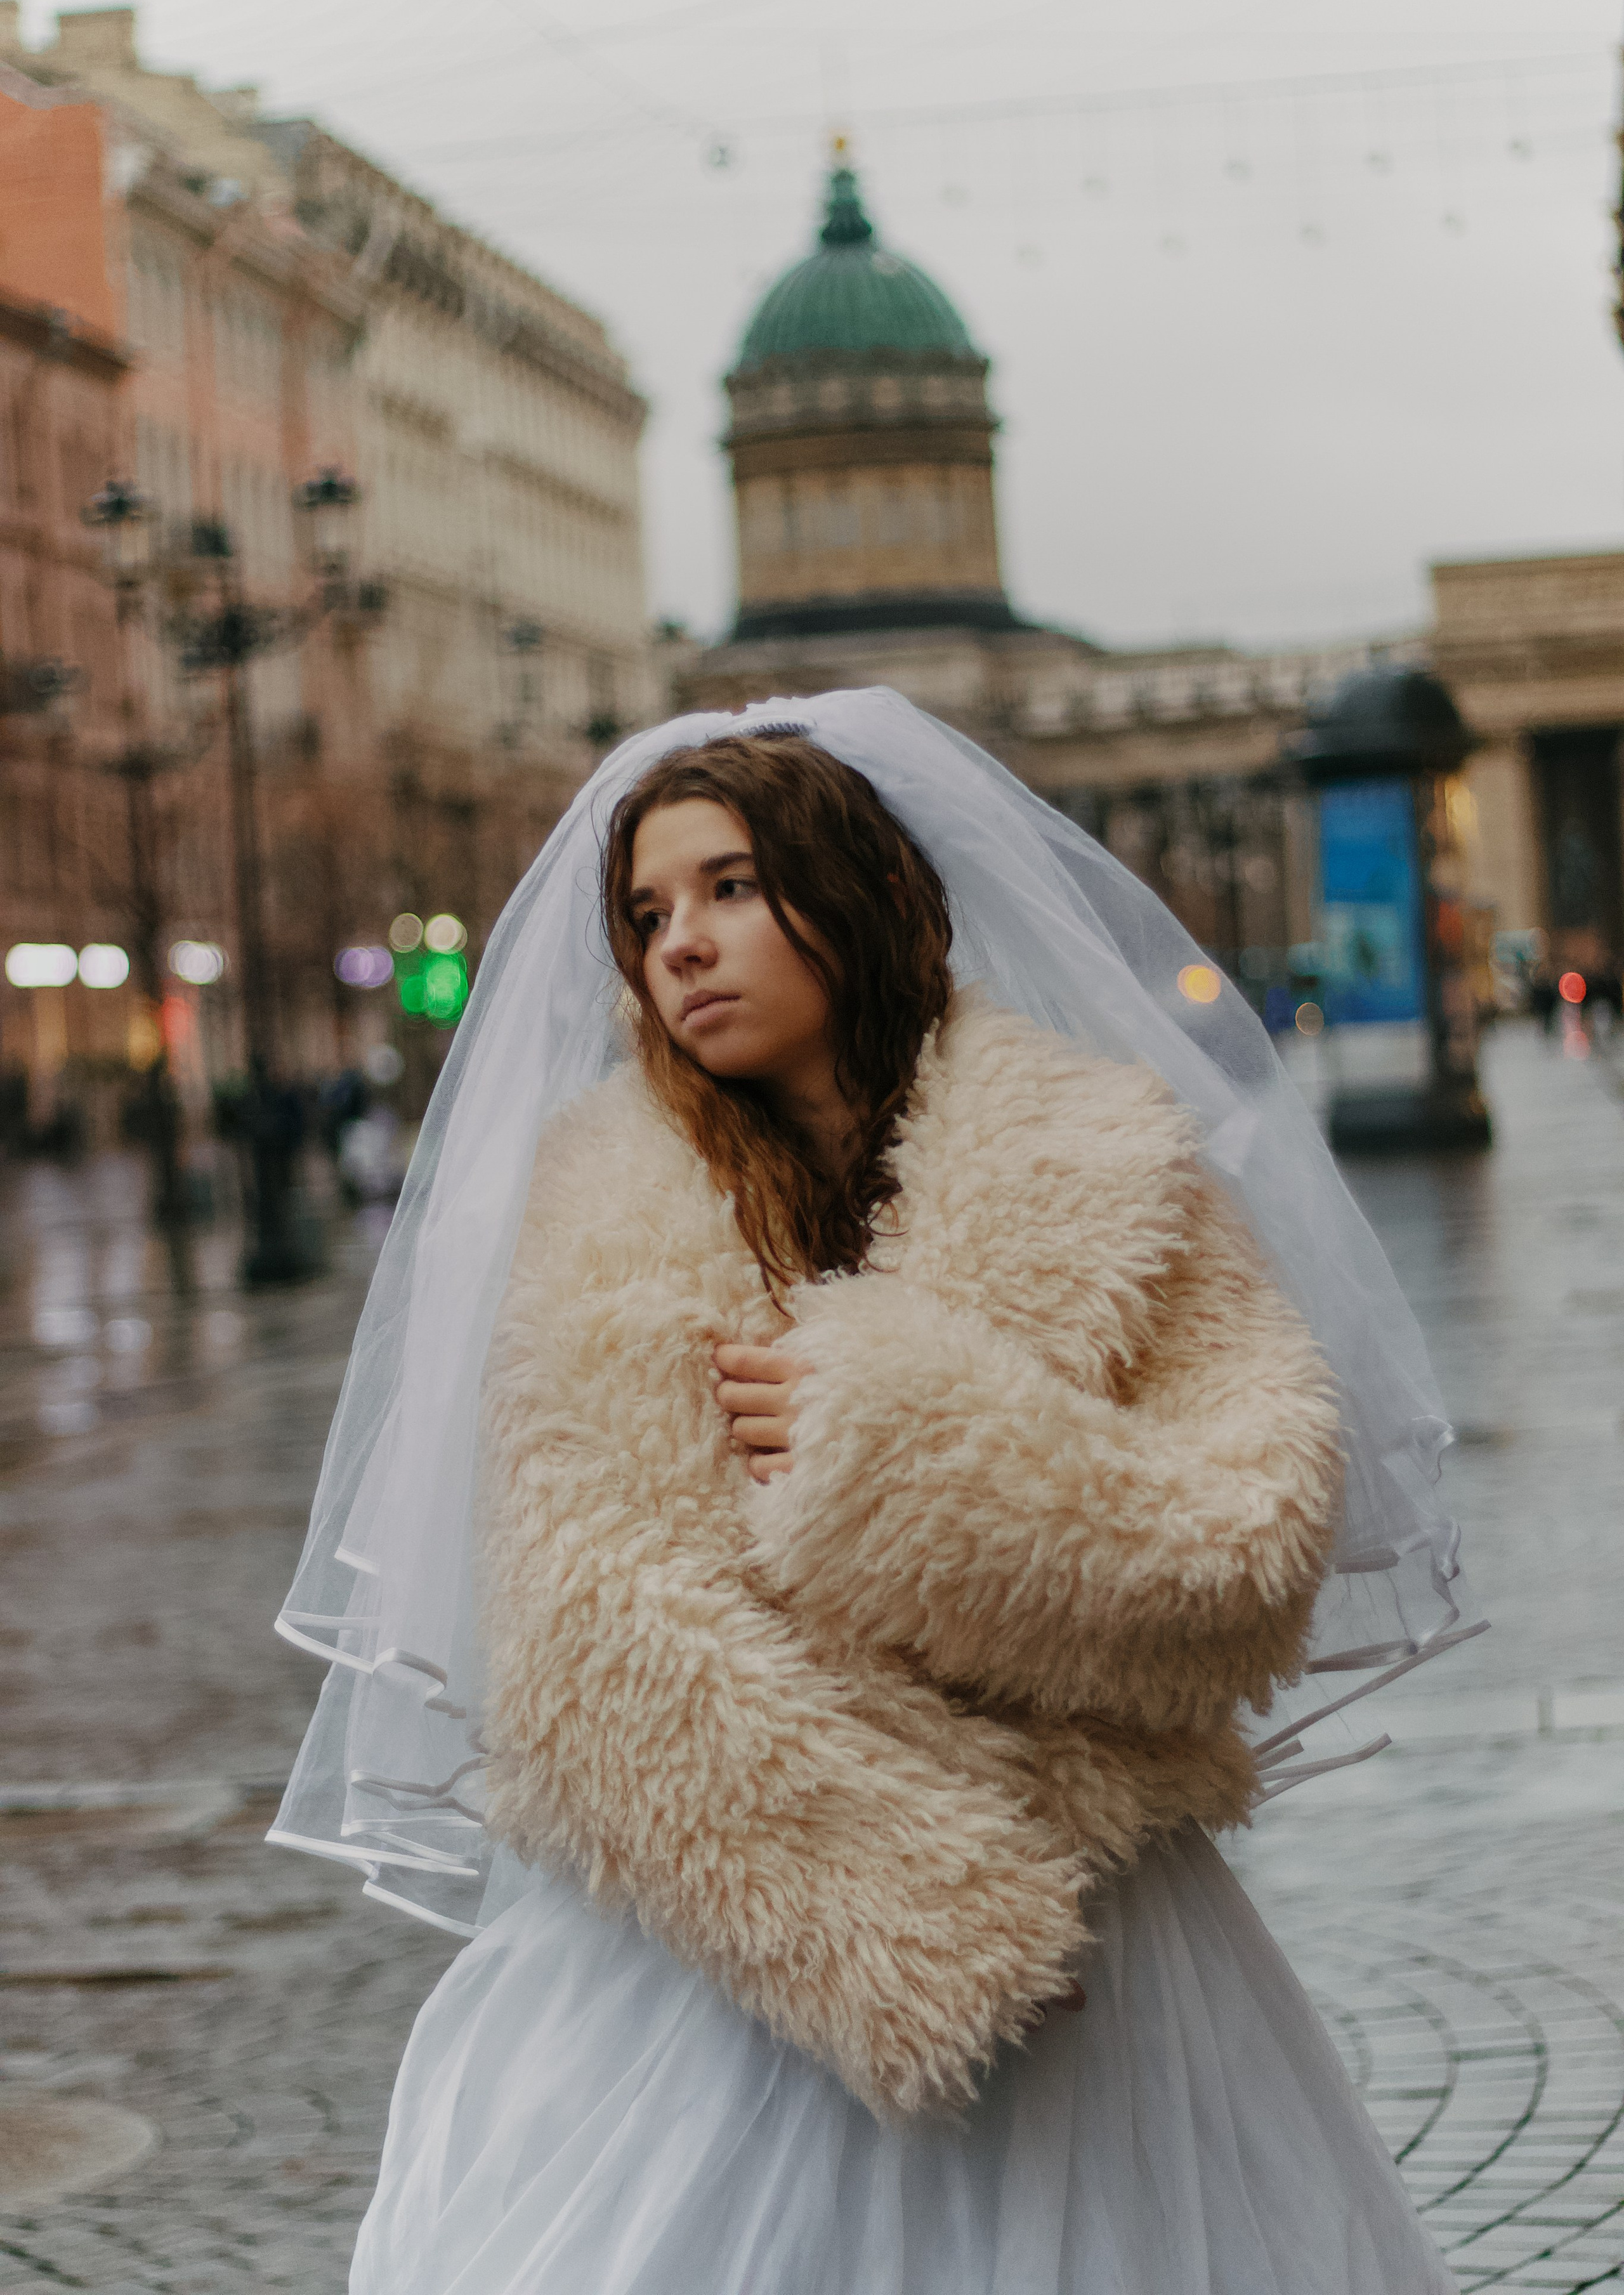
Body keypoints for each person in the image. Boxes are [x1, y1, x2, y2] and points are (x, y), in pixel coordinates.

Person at [272, 692, 1476, 2294]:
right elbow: (585, 1645)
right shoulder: (601, 1208)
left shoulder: (1105, 1159)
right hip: (738, 1960)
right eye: (645, 913)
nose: (680, 943)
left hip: (1102, 1944)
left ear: (867, 894)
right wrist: (919, 1910)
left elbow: (1247, 1538)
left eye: (732, 887)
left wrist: (912, 1442)